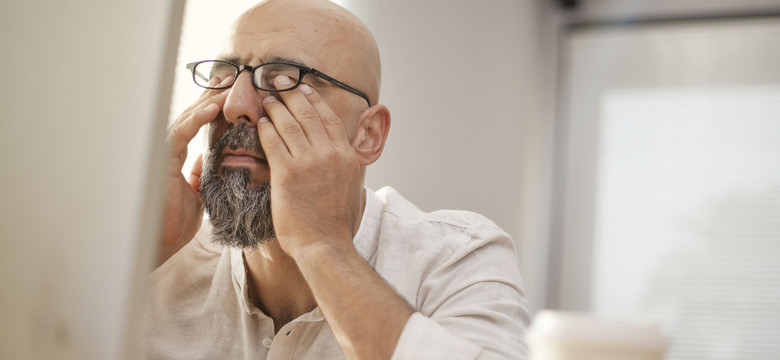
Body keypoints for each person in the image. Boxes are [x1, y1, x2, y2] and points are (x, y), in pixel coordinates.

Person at [145, 0, 530, 359]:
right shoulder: (163, 251)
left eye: (283, 81)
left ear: (368, 135)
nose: (234, 105)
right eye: (224, 77)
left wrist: (323, 245)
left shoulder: (457, 259)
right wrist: (142, 254)